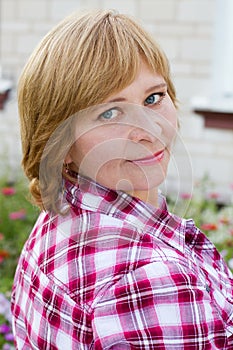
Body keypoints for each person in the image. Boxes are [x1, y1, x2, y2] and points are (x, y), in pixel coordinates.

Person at [11, 9, 233, 350]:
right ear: (61, 143)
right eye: (109, 113)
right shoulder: (152, 280)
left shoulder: (58, 218)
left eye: (153, 98)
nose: (149, 129)